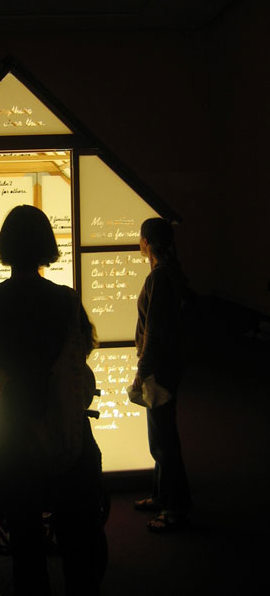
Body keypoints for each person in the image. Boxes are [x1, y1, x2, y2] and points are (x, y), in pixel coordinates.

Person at [0, 205, 106, 596]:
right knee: (78, 536)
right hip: (67, 429)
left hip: (12, 431)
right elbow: (83, 353)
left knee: (25, 542)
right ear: (47, 245)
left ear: (5, 246)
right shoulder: (65, 299)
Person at [132, 217, 192, 531]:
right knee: (161, 434)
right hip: (169, 365)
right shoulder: (170, 274)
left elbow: (153, 330)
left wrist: (142, 371)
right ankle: (161, 495)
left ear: (146, 242)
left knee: (163, 440)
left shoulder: (158, 278)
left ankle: (174, 509)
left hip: (159, 369)